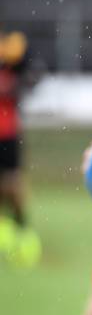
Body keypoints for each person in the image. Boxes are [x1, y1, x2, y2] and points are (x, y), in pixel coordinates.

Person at [0, 27, 41, 267]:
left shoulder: (14, 47)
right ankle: (7, 230)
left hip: (7, 132)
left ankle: (22, 229)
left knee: (13, 183)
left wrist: (14, 86)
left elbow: (33, 76)